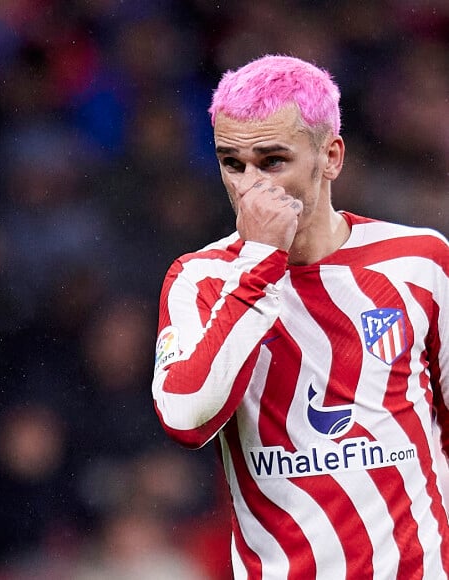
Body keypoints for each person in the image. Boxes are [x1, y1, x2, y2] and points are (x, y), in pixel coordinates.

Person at [151, 55, 449, 579]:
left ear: (330, 156)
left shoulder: (421, 262)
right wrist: (261, 264)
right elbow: (185, 418)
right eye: (231, 163)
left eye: (271, 161)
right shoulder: (200, 279)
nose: (249, 186)